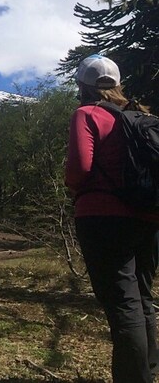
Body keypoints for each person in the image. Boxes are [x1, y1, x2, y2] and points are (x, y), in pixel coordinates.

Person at [65, 54, 158, 383]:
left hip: (103, 217)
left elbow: (79, 170)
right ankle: (146, 372)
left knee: (122, 302)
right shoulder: (139, 114)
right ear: (117, 85)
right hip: (148, 215)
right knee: (142, 296)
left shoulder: (86, 114)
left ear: (82, 85)